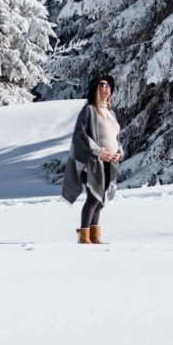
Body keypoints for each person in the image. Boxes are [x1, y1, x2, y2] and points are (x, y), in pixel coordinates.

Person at [61, 74, 123, 244]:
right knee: (94, 197)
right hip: (94, 161)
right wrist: (97, 151)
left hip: (110, 162)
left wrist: (119, 152)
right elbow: (80, 135)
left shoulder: (110, 112)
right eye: (102, 84)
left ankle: (94, 236)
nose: (106, 87)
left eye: (109, 85)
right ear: (95, 88)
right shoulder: (89, 109)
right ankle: (84, 236)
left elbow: (115, 137)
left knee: (100, 199)